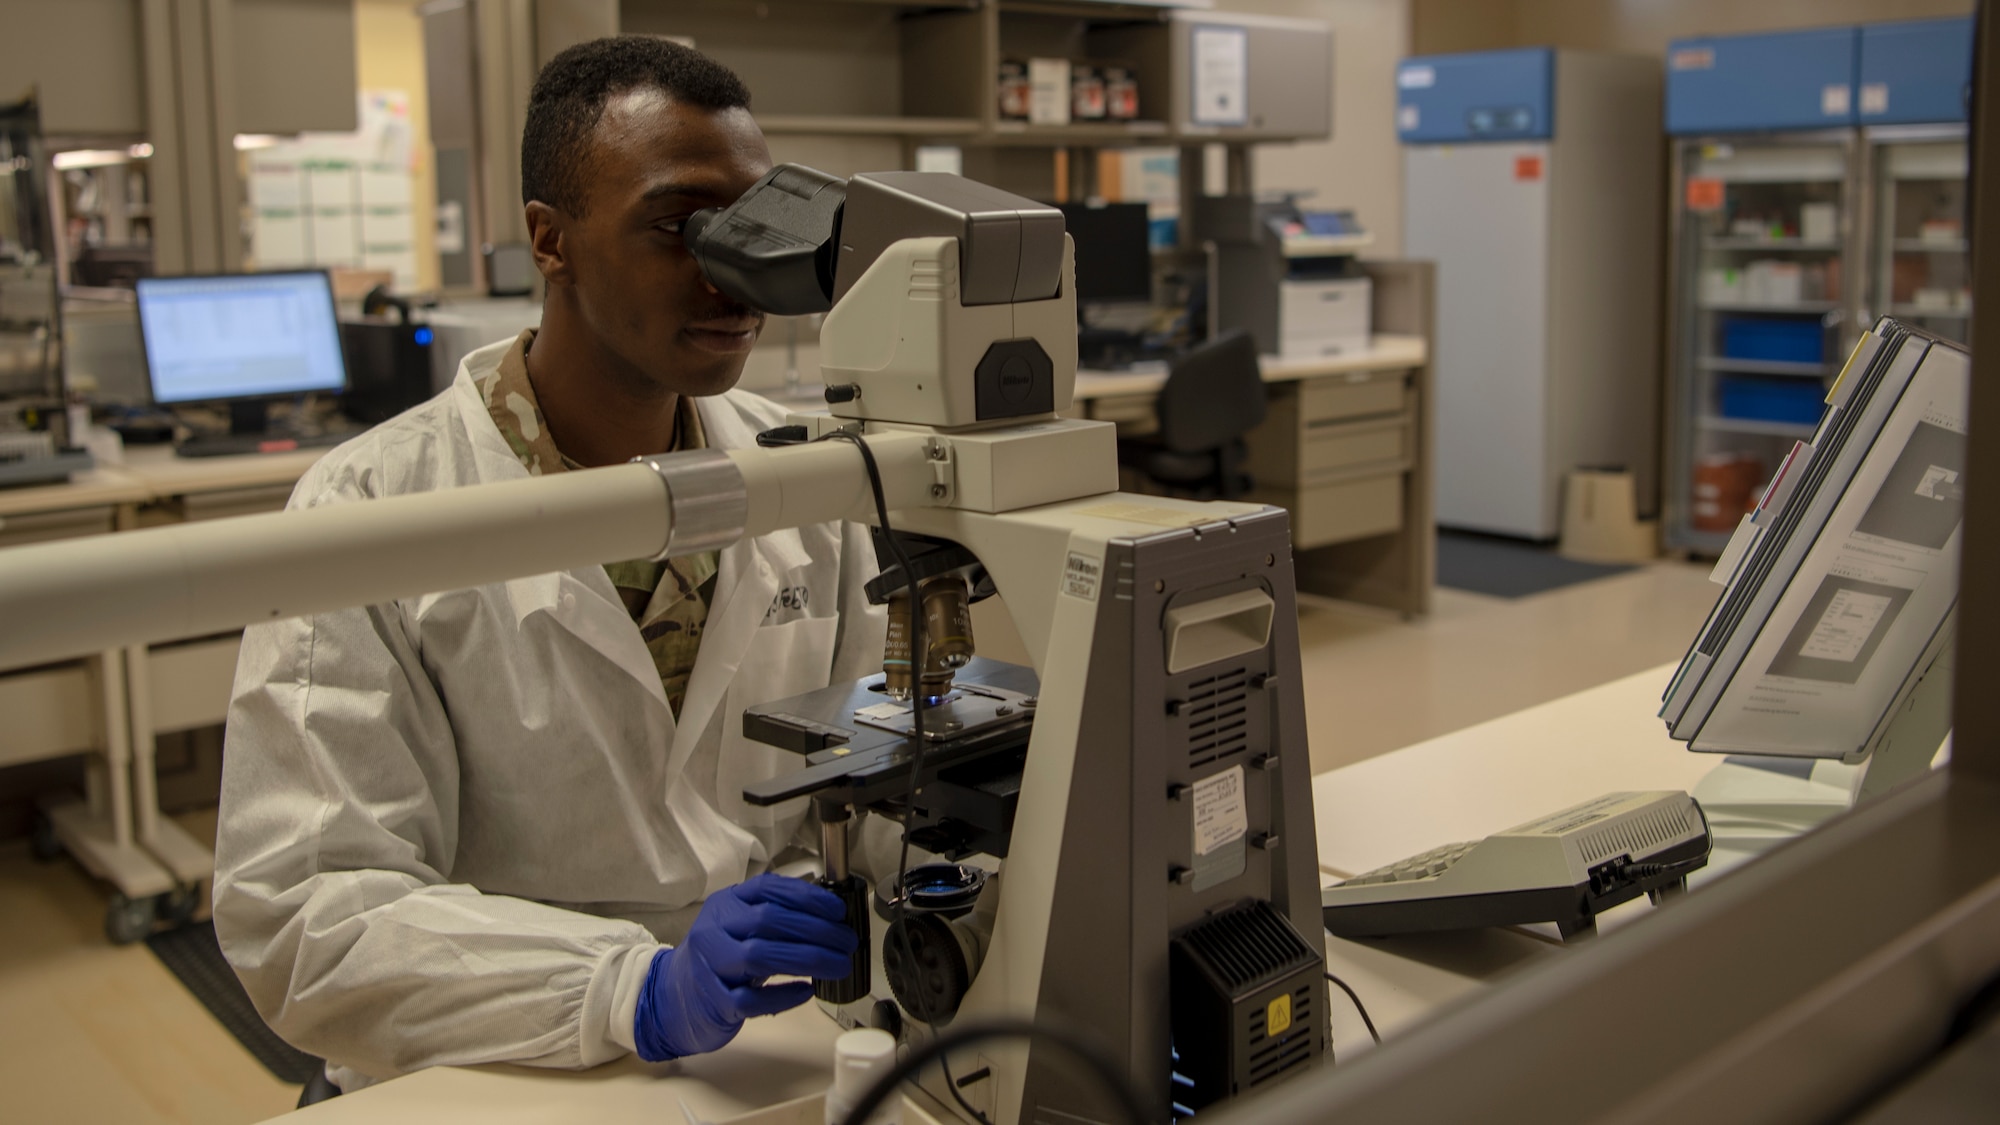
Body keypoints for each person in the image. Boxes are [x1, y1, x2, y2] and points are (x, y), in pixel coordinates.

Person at [213, 38, 884, 1093]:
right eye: (679, 226)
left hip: (766, 1051)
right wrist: (637, 989)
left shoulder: (803, 482)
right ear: (550, 240)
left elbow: (860, 795)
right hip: (485, 1064)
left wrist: (832, 903)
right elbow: (308, 920)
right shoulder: (368, 511)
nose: (737, 272)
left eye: (758, 226)